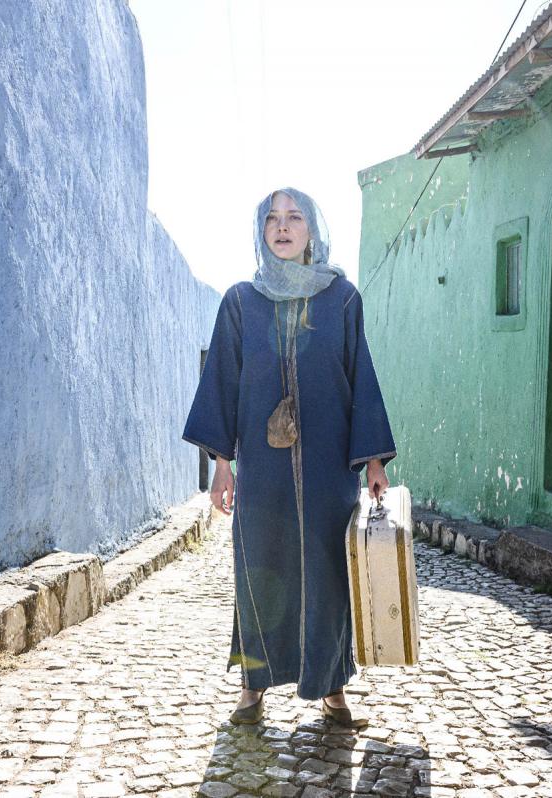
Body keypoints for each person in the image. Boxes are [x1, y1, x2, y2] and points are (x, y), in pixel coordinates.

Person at [181, 187, 397, 728]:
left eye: (294, 217)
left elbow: (362, 377)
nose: (282, 227)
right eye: (273, 219)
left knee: (328, 572)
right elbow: (222, 383)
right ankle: (253, 685)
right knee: (258, 568)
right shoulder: (239, 302)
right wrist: (222, 465)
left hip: (327, 471)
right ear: (262, 231)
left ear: (311, 231)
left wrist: (373, 460)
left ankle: (332, 688)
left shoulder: (342, 298)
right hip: (263, 468)